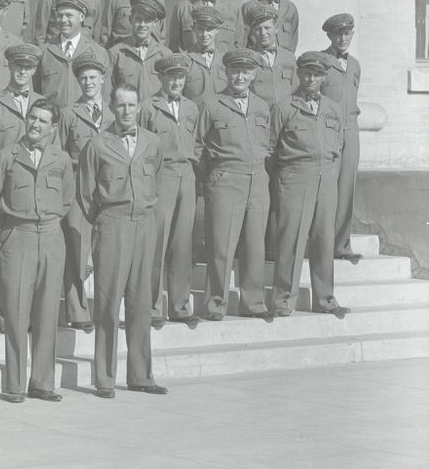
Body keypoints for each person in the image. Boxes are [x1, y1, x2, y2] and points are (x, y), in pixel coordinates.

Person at [78, 83, 167, 397]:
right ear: (111, 108)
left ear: (139, 107)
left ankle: (141, 375)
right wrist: (105, 220)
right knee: (107, 303)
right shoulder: (98, 144)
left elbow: (156, 177)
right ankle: (104, 377)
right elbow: (86, 193)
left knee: (141, 301)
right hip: (112, 224)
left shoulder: (153, 143)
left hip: (145, 223)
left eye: (132, 105)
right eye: (121, 106)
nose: (127, 111)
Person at [0, 94, 72, 403]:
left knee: (48, 313)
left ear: (53, 127)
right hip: (17, 236)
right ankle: (14, 385)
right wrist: (12, 227)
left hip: (51, 238)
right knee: (15, 313)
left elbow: (66, 199)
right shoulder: (6, 155)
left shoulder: (61, 160)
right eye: (32, 118)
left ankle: (42, 383)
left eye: (43, 121)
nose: (36, 124)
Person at [193, 48, 273, 321]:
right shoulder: (213, 105)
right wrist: (213, 176)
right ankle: (216, 303)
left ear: (253, 74)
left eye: (246, 71)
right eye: (235, 70)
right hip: (225, 179)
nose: (240, 76)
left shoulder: (262, 107)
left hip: (258, 181)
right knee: (221, 246)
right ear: (225, 72)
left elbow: (269, 144)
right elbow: (196, 146)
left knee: (254, 245)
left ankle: (253, 302)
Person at [269, 52, 348, 319]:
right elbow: (270, 149)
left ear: (324, 77)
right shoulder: (283, 107)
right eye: (306, 73)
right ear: (299, 75)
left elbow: (338, 145)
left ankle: (325, 298)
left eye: (317, 74)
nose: (311, 78)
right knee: (290, 239)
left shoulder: (333, 109)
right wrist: (284, 178)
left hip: (326, 179)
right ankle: (283, 300)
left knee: (324, 240)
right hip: (295, 177)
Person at [140, 54, 201, 327]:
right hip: (161, 177)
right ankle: (151, 307)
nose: (176, 82)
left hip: (186, 176)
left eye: (181, 77)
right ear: (161, 77)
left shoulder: (191, 108)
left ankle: (180, 305)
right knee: (157, 243)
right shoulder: (148, 108)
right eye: (171, 76)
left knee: (182, 244)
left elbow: (196, 143)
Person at [57, 53, 109, 331]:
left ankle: (105, 309)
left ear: (103, 79)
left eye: (93, 78)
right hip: (78, 188)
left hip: (109, 189)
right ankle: (78, 311)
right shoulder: (68, 114)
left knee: (106, 250)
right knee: (77, 250)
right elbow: (59, 153)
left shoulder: (114, 114)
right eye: (83, 78)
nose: (88, 83)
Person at [320, 13, 362, 263]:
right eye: (338, 34)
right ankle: (323, 244)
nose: (343, 38)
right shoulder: (322, 62)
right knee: (327, 189)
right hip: (328, 132)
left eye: (347, 34)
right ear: (329, 36)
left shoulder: (355, 64)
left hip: (351, 130)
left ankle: (342, 245)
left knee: (347, 187)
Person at [34, 0, 106, 108]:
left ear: (82, 17)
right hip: (53, 121)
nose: (63, 20)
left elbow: (105, 95)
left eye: (69, 15)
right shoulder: (44, 52)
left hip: (84, 122)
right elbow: (36, 92)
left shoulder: (98, 52)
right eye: (60, 15)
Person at [107, 0, 170, 102]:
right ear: (131, 19)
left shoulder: (165, 55)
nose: (142, 24)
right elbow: (108, 95)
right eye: (138, 19)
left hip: (156, 116)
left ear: (155, 23)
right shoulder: (115, 54)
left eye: (147, 20)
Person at [0, 43, 42, 153]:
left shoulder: (44, 104)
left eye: (28, 67)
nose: (22, 71)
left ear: (34, 70)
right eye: (18, 65)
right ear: (9, 65)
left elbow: (53, 148)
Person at [247, 6, 296, 108]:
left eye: (267, 28)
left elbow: (296, 90)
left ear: (277, 28)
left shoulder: (289, 57)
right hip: (260, 118)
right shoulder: (248, 58)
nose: (263, 33)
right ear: (252, 32)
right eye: (258, 29)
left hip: (286, 118)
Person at [182, 8, 228, 107]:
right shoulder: (184, 59)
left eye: (209, 29)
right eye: (200, 29)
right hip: (195, 118)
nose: (204, 34)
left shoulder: (226, 60)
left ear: (217, 30)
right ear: (193, 28)